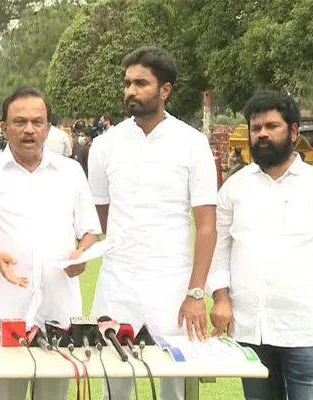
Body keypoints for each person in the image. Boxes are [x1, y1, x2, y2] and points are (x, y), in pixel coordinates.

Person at [208, 91, 313, 400]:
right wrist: (221, 298)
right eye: (256, 128)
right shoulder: (234, 188)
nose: (262, 134)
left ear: (293, 132)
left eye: (272, 126)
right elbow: (219, 249)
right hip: (252, 330)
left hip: (306, 332)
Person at [88, 46, 218, 400]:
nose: (130, 90)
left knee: (175, 387)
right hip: (117, 283)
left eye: (141, 83)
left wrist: (195, 293)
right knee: (114, 387)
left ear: (165, 90)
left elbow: (206, 225)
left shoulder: (192, 144)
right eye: (127, 83)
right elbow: (102, 214)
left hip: (172, 286)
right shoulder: (105, 145)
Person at [0, 87, 101, 400]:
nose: (29, 129)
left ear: (49, 127)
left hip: (58, 313)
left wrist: (81, 255)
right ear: (4, 127)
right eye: (20, 122)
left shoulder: (71, 172)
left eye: (37, 121)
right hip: (4, 312)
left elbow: (90, 231)